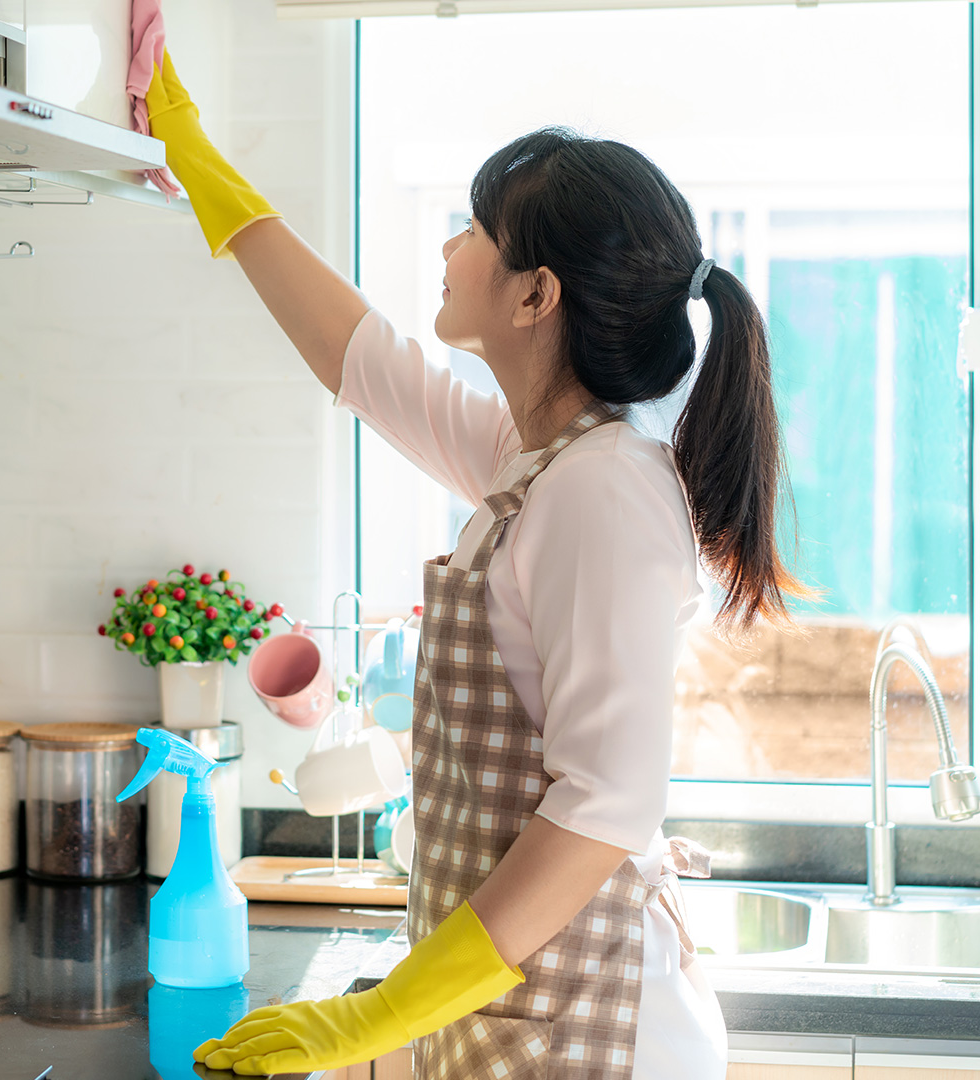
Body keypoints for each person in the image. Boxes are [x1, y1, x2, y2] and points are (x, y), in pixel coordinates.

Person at [144, 52, 804, 1080]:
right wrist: (201, 166)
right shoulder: (535, 459)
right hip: (520, 1010)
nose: (450, 247)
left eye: (476, 229)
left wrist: (380, 1015)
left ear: (536, 292)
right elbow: (358, 359)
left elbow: (604, 809)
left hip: (598, 1028)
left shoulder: (602, 492)